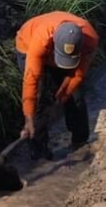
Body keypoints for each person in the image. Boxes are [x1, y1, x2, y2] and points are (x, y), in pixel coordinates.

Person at [15, 11, 99, 159]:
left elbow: (77, 75)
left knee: (76, 96)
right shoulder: (40, 39)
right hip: (27, 45)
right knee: (39, 97)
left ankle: (80, 142)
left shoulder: (90, 39)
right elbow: (31, 81)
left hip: (57, 50)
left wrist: (61, 99)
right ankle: (39, 150)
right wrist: (29, 117)